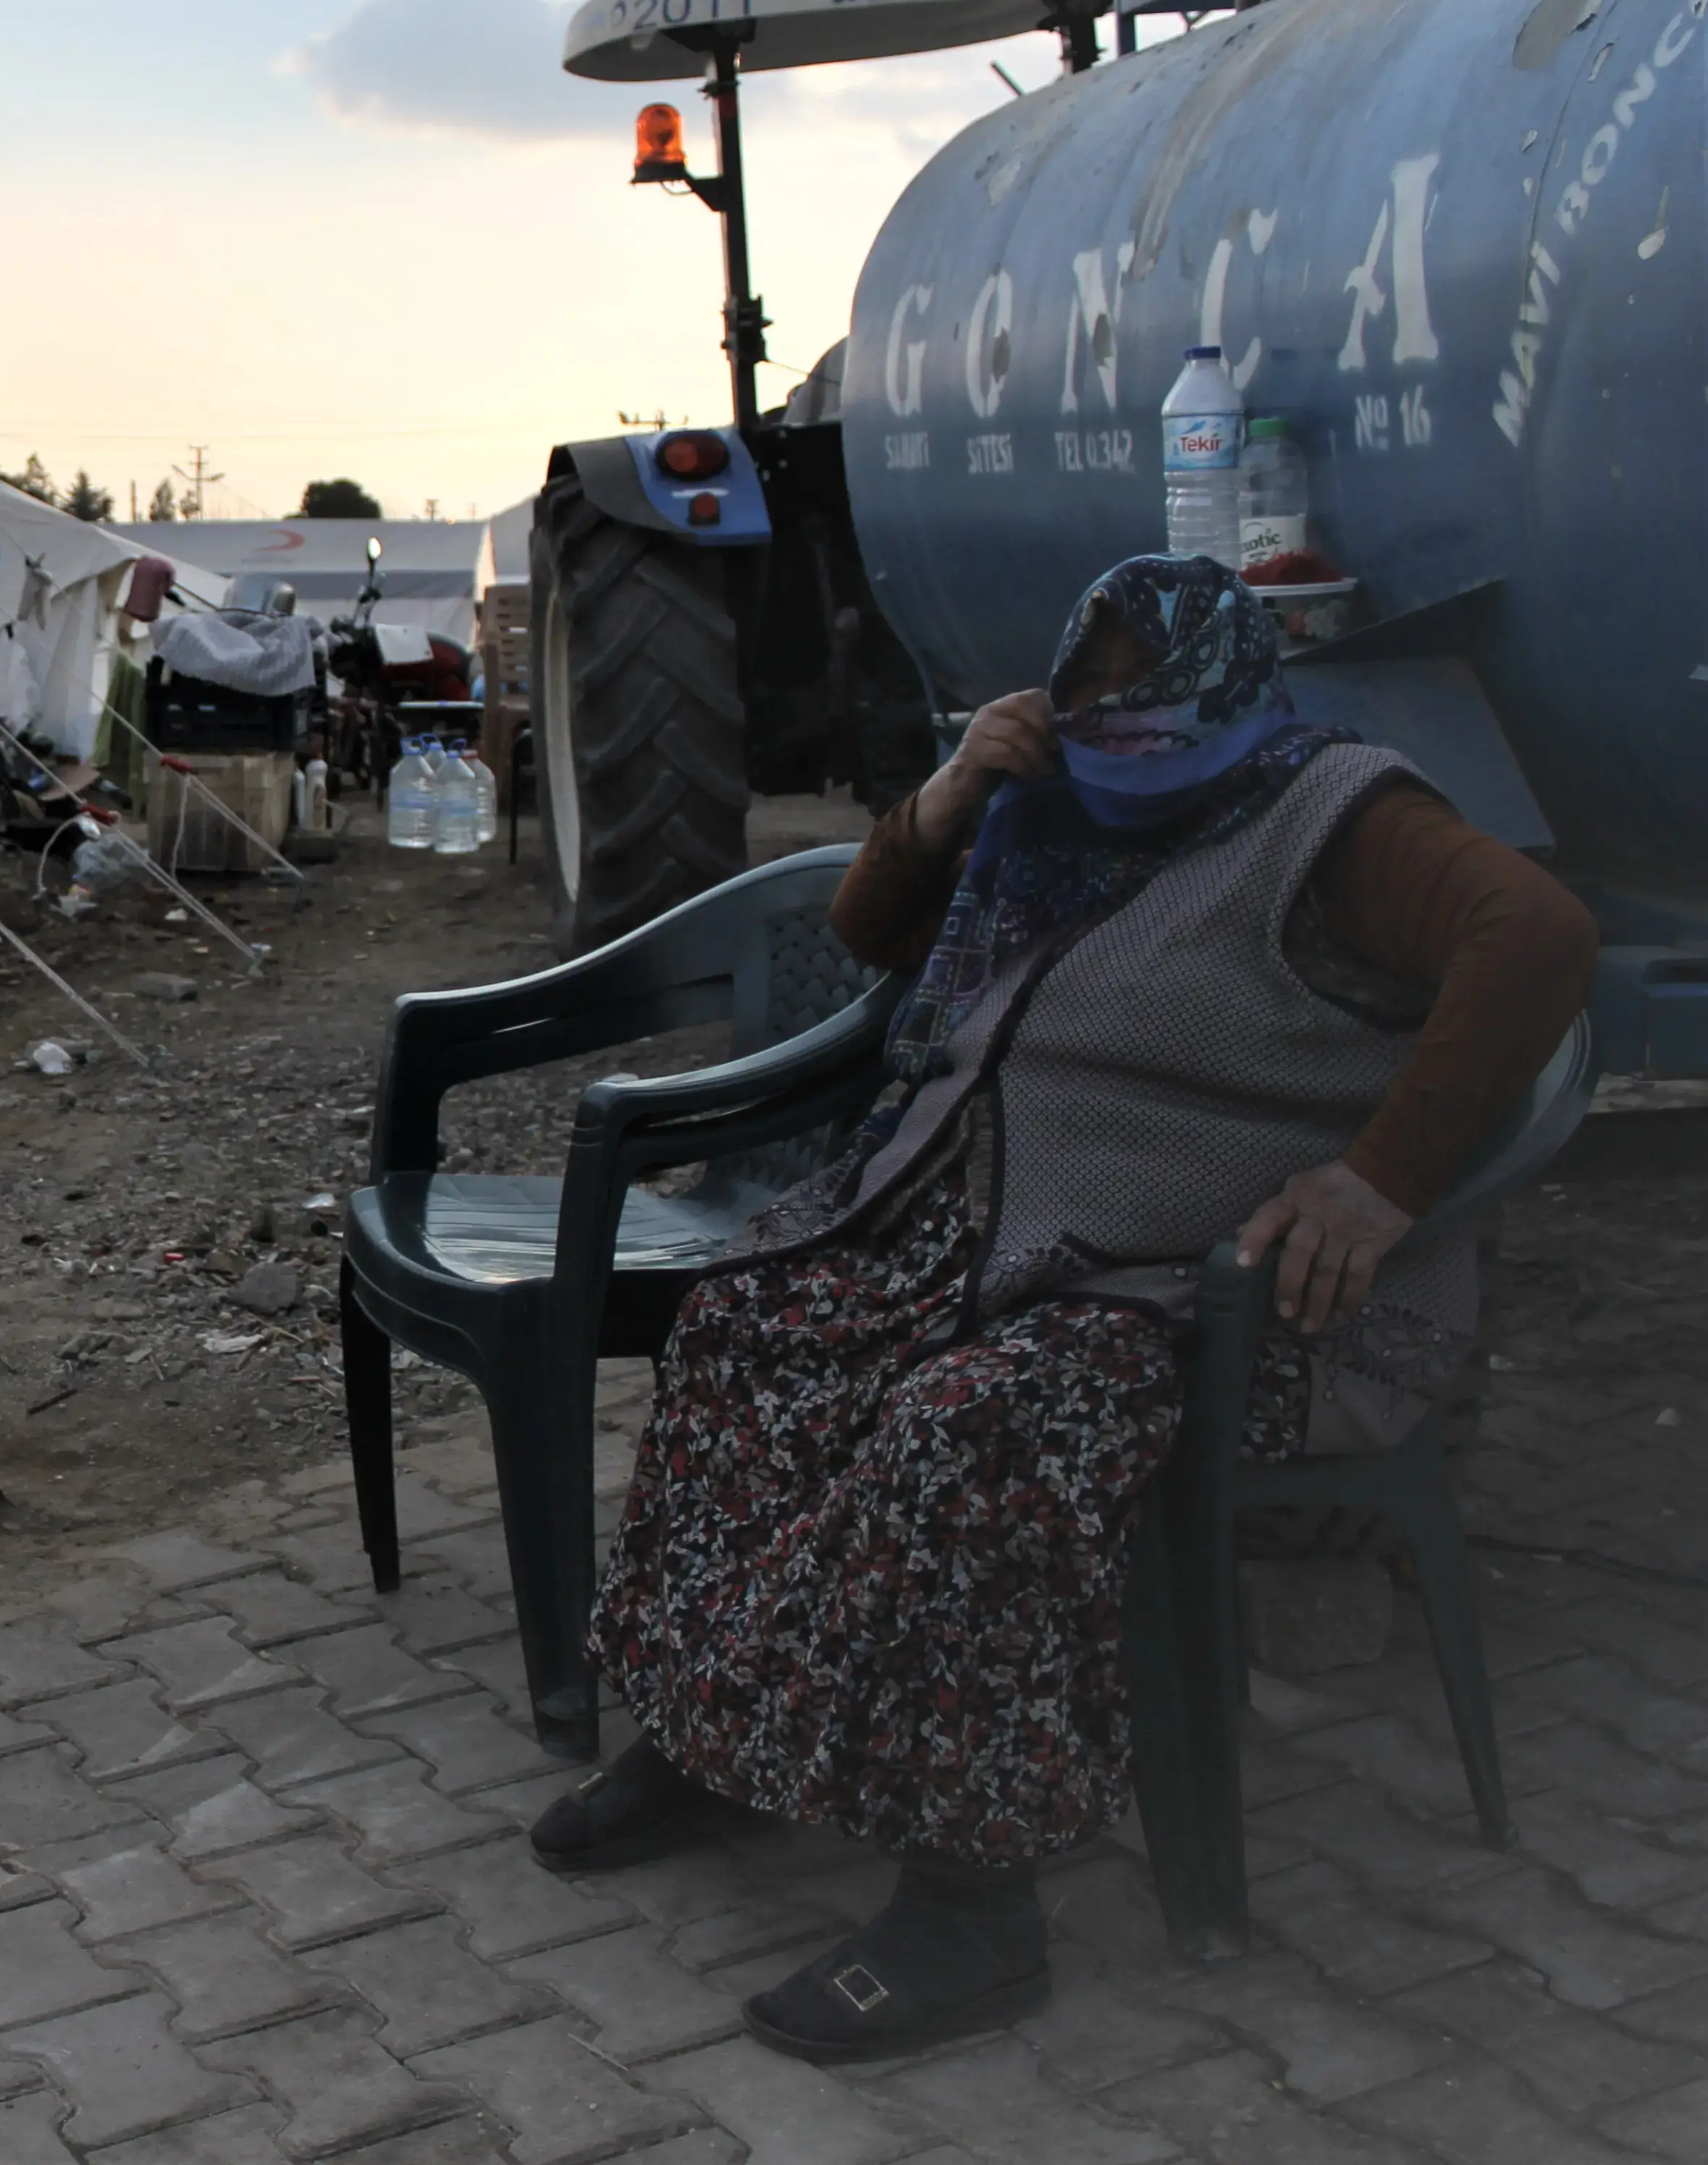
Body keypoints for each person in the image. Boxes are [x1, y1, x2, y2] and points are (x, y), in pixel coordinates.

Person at [528, 555, 1593, 2061]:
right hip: (1001, 1228)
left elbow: (1539, 941)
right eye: (1097, 730)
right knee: (749, 1327)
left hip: (1217, 1288)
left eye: (1155, 736)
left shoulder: (1340, 811)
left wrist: (1380, 1182)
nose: (1127, 762)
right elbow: (879, 924)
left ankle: (974, 1907)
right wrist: (960, 784)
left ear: (1231, 700)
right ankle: (717, 1734)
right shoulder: (1052, 802)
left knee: (980, 1427)